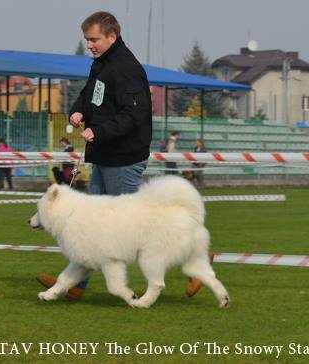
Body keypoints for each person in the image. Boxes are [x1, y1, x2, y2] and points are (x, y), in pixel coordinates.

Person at [37, 12, 203, 300]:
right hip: (103, 155)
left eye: (94, 39)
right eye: (87, 40)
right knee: (94, 229)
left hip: (123, 159)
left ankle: (199, 261)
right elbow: (91, 95)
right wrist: (79, 111)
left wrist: (100, 132)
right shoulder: (101, 64)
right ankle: (76, 285)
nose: (89, 45)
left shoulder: (127, 68)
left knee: (144, 226)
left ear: (111, 37)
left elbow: (134, 115)